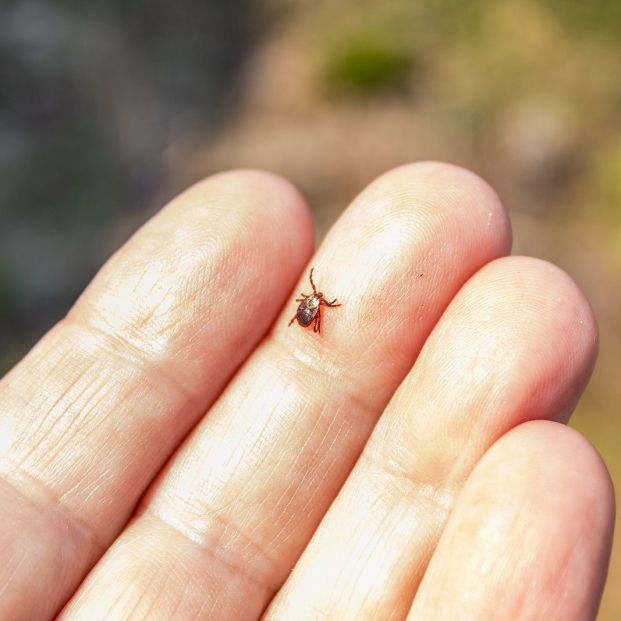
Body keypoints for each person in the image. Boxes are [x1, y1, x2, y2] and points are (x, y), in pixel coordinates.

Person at [0, 163, 613, 620]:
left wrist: (312, 308)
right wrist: (318, 308)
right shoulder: (317, 305)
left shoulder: (311, 305)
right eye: (314, 303)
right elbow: (318, 302)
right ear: (314, 305)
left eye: (314, 304)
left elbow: (314, 302)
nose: (314, 304)